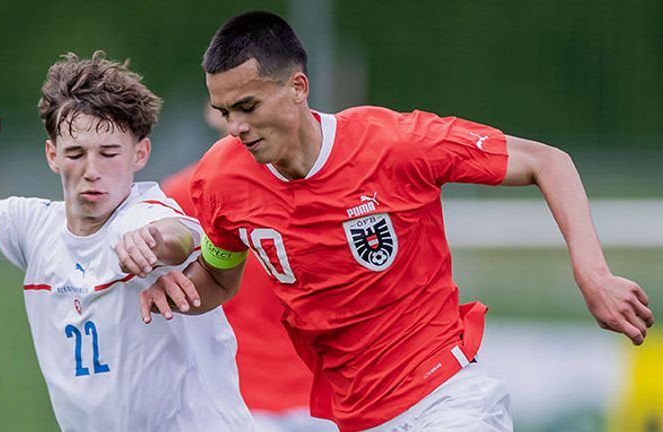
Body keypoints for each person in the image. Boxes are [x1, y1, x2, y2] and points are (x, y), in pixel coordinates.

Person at [117, 11, 655, 432]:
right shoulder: (221, 179)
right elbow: (219, 274)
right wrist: (181, 292)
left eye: (249, 107)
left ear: (298, 89)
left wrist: (592, 273)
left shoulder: (393, 144)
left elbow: (547, 161)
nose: (235, 127)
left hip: (446, 397)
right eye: (224, 111)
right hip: (354, 417)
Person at [0, 51, 254, 432]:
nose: (92, 171)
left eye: (108, 153)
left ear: (140, 153)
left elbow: (179, 234)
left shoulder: (144, 213)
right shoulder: (33, 225)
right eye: (75, 153)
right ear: (52, 155)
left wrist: (154, 243)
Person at [160, 104, 338, 432]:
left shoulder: (327, 186)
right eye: (226, 106)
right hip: (235, 402)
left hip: (323, 397)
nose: (240, 121)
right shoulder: (178, 198)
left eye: (250, 103)